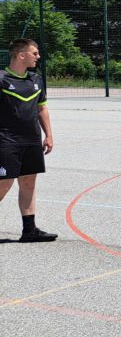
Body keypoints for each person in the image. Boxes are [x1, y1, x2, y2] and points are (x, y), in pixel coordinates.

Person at [0, 39, 57, 242]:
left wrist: (48, 134)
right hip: (6, 140)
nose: (38, 57)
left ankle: (29, 230)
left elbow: (42, 108)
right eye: (34, 53)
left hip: (31, 140)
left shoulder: (36, 79)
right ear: (21, 55)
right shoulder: (2, 78)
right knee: (3, 184)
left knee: (28, 182)